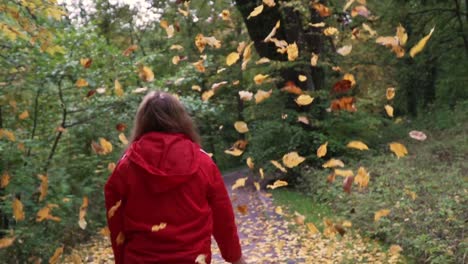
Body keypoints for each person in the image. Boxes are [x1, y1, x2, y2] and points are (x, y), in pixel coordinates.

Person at [104, 91, 246, 264]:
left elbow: (116, 223)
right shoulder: (203, 163)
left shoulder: (126, 167)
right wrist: (235, 258)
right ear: (181, 119)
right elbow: (223, 219)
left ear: (142, 122)